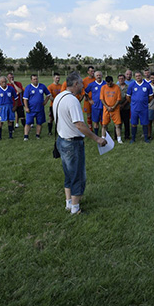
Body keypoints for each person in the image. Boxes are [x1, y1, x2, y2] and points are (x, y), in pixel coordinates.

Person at [53, 72, 107, 215]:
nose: (83, 86)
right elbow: (80, 125)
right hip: (72, 143)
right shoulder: (72, 101)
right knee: (78, 175)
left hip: (62, 140)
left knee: (68, 174)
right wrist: (97, 139)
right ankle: (75, 209)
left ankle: (69, 202)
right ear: (75, 84)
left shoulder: (59, 96)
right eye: (81, 84)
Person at [126, 71, 153, 143]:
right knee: (134, 123)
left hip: (144, 108)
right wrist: (133, 103)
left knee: (145, 123)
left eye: (139, 76)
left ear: (142, 76)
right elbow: (128, 97)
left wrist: (145, 102)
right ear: (135, 77)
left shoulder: (147, 85)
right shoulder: (132, 85)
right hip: (134, 108)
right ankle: (133, 138)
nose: (138, 77)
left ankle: (146, 138)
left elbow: (150, 96)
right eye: (136, 76)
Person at [23, 74, 51, 140]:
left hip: (40, 108)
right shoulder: (28, 87)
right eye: (34, 79)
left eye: (36, 79)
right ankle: (26, 136)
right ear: (31, 80)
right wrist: (26, 107)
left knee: (39, 122)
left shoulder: (42, 86)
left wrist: (45, 101)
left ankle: (37, 135)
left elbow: (48, 94)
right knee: (28, 123)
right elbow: (25, 99)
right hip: (31, 109)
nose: (36, 80)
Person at [100, 75, 123, 143]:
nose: (109, 85)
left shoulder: (117, 87)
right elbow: (102, 98)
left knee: (117, 124)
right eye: (107, 83)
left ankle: (119, 139)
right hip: (106, 108)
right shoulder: (103, 87)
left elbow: (118, 99)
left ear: (112, 81)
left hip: (115, 108)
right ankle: (103, 138)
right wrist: (107, 107)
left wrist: (113, 107)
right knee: (104, 124)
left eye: (110, 83)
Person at [84, 70, 106, 135]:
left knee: (104, 122)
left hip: (104, 106)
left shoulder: (105, 84)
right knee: (96, 122)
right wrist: (89, 100)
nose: (98, 76)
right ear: (95, 76)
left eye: (99, 75)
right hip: (95, 106)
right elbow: (85, 92)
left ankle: (104, 135)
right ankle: (96, 134)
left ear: (102, 76)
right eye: (97, 75)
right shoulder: (91, 85)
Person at [82, 66, 97, 130]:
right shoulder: (84, 80)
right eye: (91, 71)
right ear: (88, 72)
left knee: (96, 114)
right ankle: (90, 128)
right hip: (88, 100)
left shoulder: (96, 79)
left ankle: (97, 127)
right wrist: (86, 97)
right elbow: (83, 90)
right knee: (89, 114)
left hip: (95, 100)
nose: (92, 72)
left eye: (93, 71)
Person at [117, 74, 131, 140]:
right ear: (118, 80)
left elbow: (128, 97)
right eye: (119, 79)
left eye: (122, 78)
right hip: (117, 108)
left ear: (124, 79)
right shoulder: (116, 87)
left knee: (126, 122)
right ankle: (117, 136)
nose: (121, 80)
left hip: (126, 107)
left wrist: (123, 105)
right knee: (118, 123)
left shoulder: (128, 87)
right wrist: (118, 105)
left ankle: (127, 136)